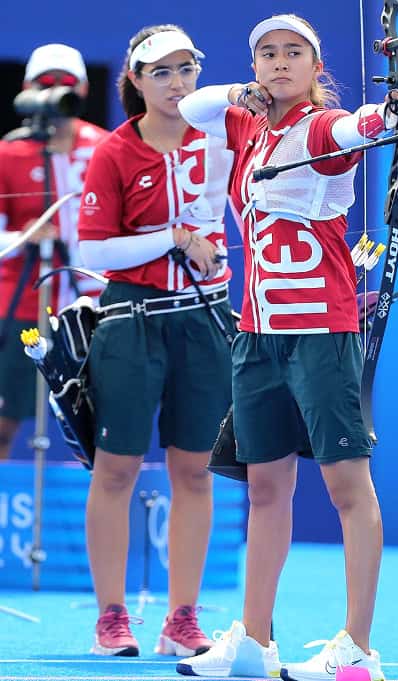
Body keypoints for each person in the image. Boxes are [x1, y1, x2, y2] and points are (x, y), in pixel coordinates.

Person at [175, 13, 398, 681]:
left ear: (317, 68)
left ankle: (358, 649)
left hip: (320, 332)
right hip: (256, 334)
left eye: (294, 54)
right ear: (253, 65)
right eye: (267, 54)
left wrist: (395, 110)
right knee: (265, 487)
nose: (279, 63)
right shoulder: (242, 125)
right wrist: (236, 93)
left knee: (347, 484)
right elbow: (189, 103)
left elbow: (362, 126)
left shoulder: (322, 127)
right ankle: (256, 641)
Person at [76, 25, 236, 657]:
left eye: (186, 68)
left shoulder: (223, 139)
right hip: (130, 319)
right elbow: (92, 250)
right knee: (116, 468)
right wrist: (174, 236)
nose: (176, 83)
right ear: (136, 81)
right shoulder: (115, 151)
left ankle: (183, 617)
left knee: (194, 470)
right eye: (161, 72)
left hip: (205, 320)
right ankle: (111, 616)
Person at [0, 43, 107, 459]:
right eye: (46, 82)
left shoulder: (105, 146)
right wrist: (25, 237)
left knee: (96, 425)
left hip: (91, 305)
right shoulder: (10, 152)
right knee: (4, 421)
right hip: (23, 304)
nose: (57, 91)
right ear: (27, 88)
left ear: (82, 88)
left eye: (66, 83)